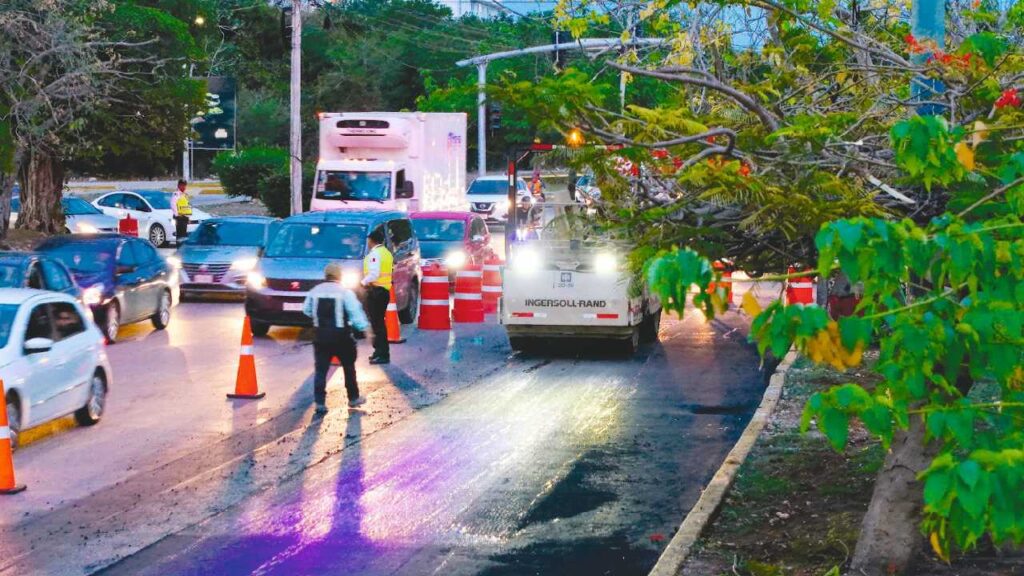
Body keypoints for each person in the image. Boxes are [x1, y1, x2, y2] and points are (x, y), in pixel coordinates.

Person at [302, 263, 370, 414]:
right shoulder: (345, 292)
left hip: (320, 337)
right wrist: (366, 329)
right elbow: (355, 313)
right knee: (348, 367)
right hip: (342, 337)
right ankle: (353, 397)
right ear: (339, 276)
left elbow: (306, 309)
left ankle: (320, 403)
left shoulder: (315, 291)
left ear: (325, 276)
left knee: (320, 370)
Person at [361, 228, 393, 364]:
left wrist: (363, 282)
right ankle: (379, 352)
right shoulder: (386, 253)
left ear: (371, 240)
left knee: (377, 324)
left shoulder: (375, 254)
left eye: (368, 240)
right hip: (383, 291)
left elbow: (374, 273)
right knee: (379, 323)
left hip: (376, 291)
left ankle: (382, 354)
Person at [171, 179, 192, 246]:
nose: (184, 187)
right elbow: (173, 204)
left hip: (185, 217)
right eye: (182, 185)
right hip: (179, 217)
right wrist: (177, 215)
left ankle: (182, 249)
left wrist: (188, 217)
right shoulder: (176, 194)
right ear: (179, 186)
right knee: (180, 235)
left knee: (184, 235)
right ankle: (179, 249)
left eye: (185, 185)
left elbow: (187, 206)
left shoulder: (185, 195)